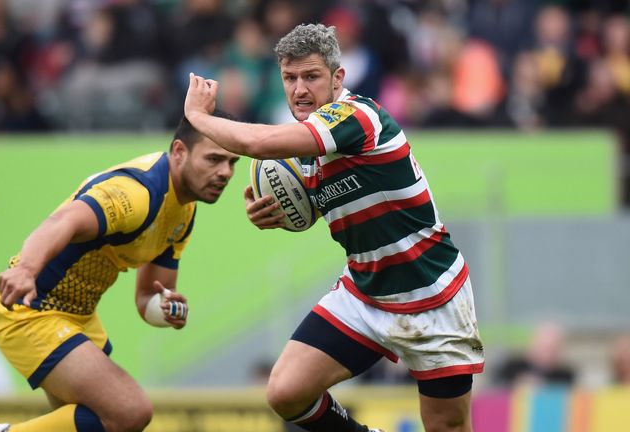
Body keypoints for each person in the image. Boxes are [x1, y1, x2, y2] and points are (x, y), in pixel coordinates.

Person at [184, 24, 485, 432]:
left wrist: (197, 116)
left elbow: (258, 145)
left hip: (430, 294)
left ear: (338, 78)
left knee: (447, 427)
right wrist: (279, 215)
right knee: (286, 392)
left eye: (311, 76)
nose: (299, 89)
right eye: (289, 78)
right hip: (365, 292)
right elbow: (336, 204)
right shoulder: (306, 151)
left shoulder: (357, 116)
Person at [0, 110, 240, 432]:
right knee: (129, 411)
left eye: (232, 163)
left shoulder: (184, 212)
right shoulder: (137, 194)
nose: (225, 172)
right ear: (179, 152)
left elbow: (147, 296)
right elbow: (63, 221)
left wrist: (166, 307)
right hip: (32, 310)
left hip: (80, 318)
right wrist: (27, 269)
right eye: (214, 159)